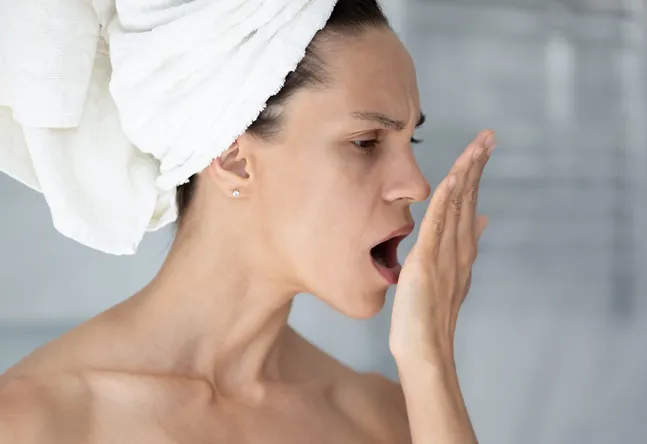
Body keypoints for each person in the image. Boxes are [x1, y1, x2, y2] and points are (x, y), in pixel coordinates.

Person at [0, 0, 496, 442]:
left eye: (411, 141)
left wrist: (430, 363)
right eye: (366, 142)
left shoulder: (389, 418)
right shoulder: (31, 424)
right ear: (234, 160)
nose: (416, 185)